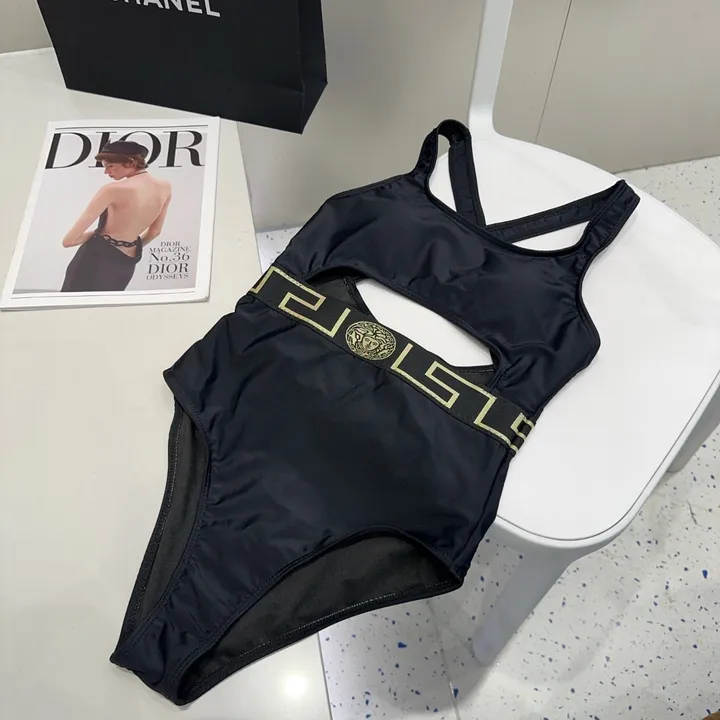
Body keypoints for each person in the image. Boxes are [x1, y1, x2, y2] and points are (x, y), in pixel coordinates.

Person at [60, 140, 172, 292]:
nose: (106, 172)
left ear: (130, 162)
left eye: (110, 166)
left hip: (93, 261)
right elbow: (155, 232)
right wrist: (127, 247)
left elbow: (69, 241)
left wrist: (101, 236)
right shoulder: (165, 187)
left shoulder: (112, 190)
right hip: (127, 264)